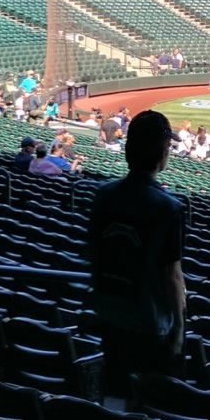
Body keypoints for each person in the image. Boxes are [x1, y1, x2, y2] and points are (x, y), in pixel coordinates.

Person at [87, 111, 188, 398]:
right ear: (162, 152)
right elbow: (172, 276)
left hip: (108, 311)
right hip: (149, 321)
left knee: (115, 392)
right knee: (153, 399)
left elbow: (94, 254)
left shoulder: (103, 195)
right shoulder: (168, 207)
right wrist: (179, 330)